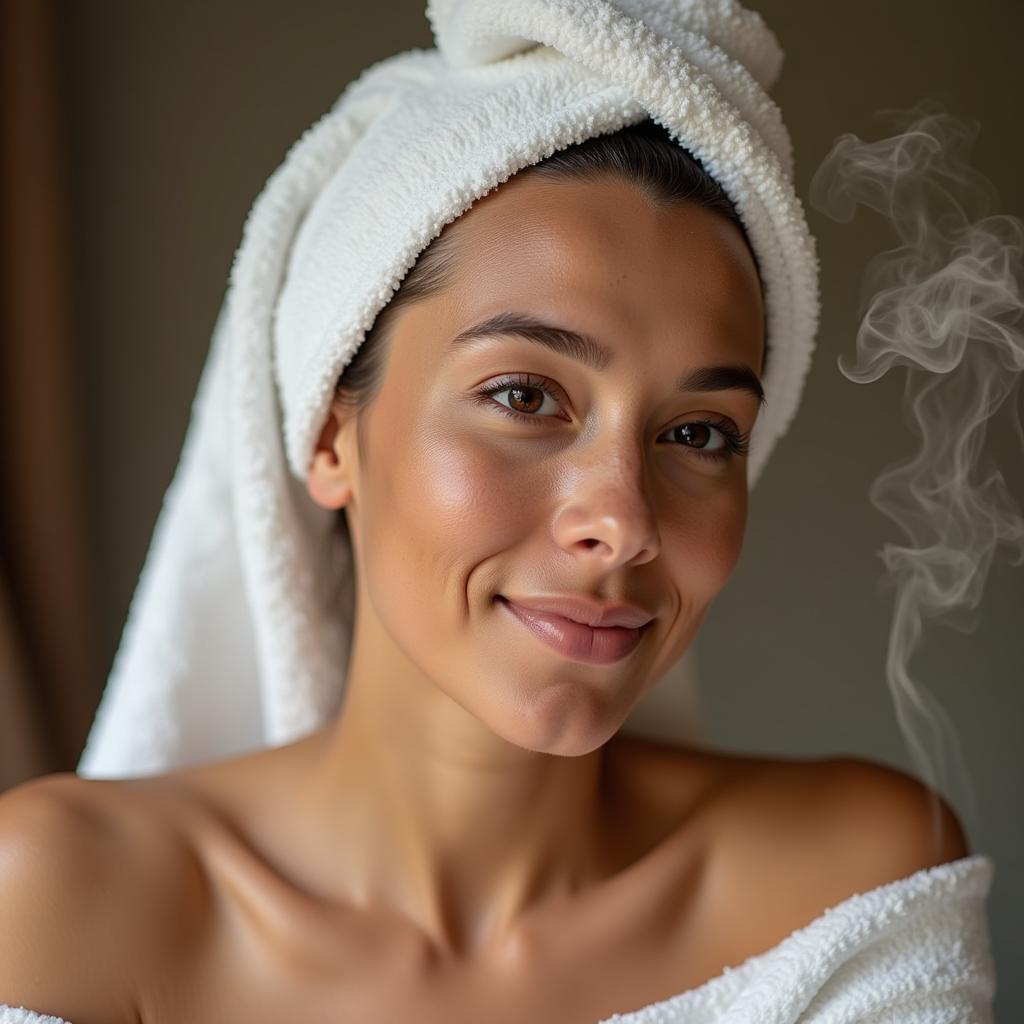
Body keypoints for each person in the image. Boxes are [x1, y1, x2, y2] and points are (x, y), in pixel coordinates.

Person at [0, 3, 995, 1023]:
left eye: (699, 433)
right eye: (524, 396)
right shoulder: (61, 906)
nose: (624, 521)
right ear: (331, 434)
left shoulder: (846, 885)